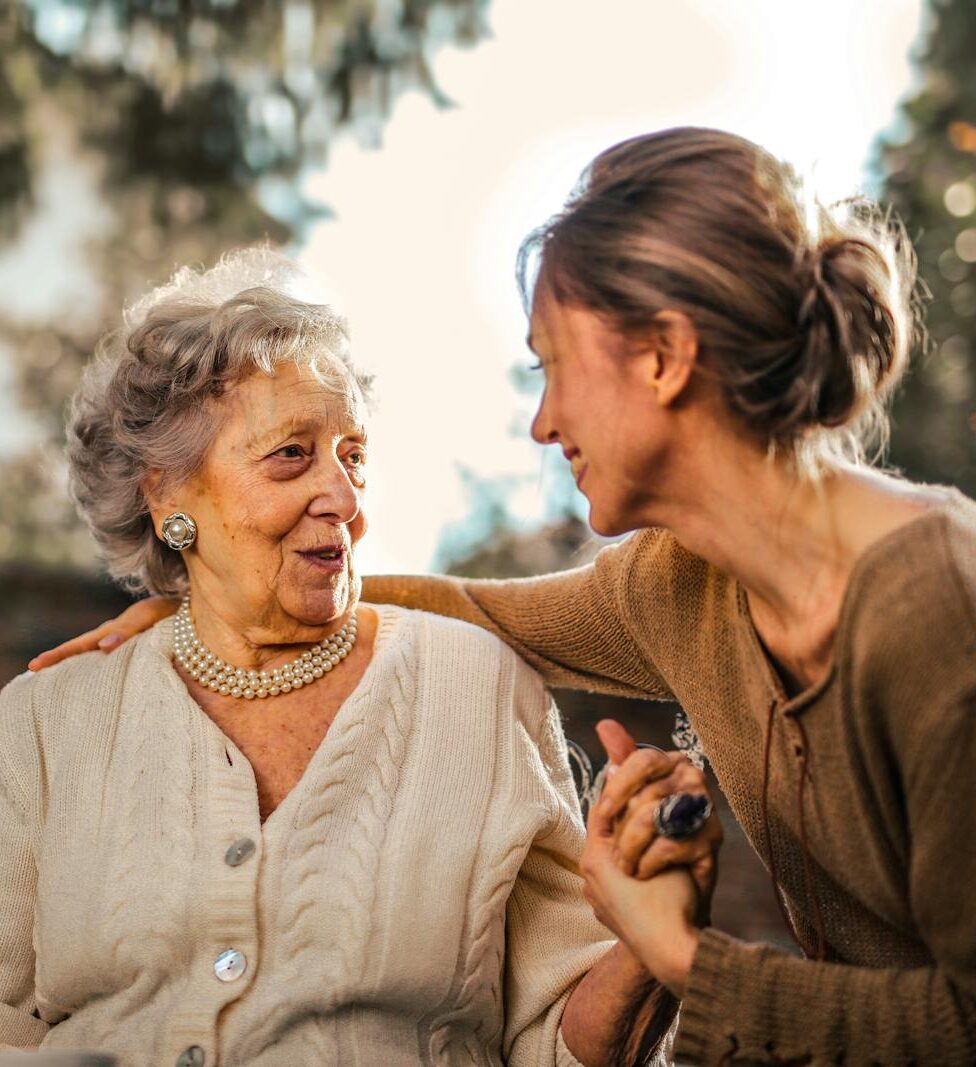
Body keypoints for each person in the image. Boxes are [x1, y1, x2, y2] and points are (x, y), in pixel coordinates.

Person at [37, 127, 976, 1064]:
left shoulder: (937, 604)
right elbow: (481, 608)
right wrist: (212, 598)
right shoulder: (677, 585)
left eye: (553, 364)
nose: (542, 420)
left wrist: (680, 954)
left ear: (663, 358)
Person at [1, 250, 680, 1066]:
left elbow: (555, 1041)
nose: (348, 499)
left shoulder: (478, 688)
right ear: (166, 493)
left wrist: (650, 947)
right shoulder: (44, 722)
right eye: (292, 453)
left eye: (352, 455)